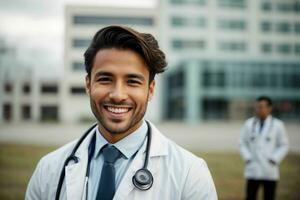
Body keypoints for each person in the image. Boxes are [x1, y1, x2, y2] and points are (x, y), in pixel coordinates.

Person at [25, 25, 217, 200]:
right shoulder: (49, 169)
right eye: (105, 79)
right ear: (88, 84)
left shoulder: (190, 174)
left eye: (132, 81)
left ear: (150, 90)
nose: (118, 95)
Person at [239, 96, 289, 200]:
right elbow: (242, 143)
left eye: (261, 107)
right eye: (257, 107)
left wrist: (274, 159)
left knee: (269, 196)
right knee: (250, 196)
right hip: (253, 168)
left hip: (269, 169)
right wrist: (248, 158)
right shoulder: (249, 124)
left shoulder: (278, 125)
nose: (258, 110)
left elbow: (284, 145)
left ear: (269, 108)